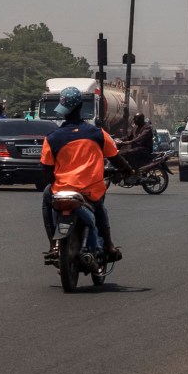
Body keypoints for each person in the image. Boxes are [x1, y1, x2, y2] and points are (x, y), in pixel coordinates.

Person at [40, 86, 122, 265]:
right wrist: (129, 171)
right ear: (80, 107)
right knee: (100, 208)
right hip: (90, 191)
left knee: (47, 196)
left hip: (62, 191)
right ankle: (108, 245)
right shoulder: (98, 134)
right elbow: (116, 159)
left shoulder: (52, 138)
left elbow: (46, 171)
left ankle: (53, 245)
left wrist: (54, 185)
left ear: (63, 110)